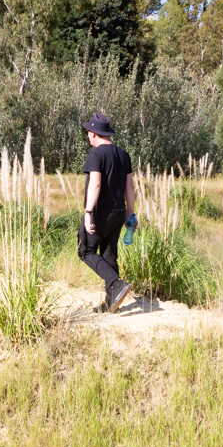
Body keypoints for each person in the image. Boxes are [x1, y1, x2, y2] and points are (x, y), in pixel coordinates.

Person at [77, 113, 135, 313]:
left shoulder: (96, 154)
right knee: (109, 255)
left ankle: (116, 283)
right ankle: (112, 304)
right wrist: (131, 214)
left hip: (100, 213)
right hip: (118, 213)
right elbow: (130, 187)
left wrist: (88, 212)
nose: (87, 135)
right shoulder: (123, 154)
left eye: (88, 131)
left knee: (85, 251)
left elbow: (96, 183)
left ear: (93, 133)